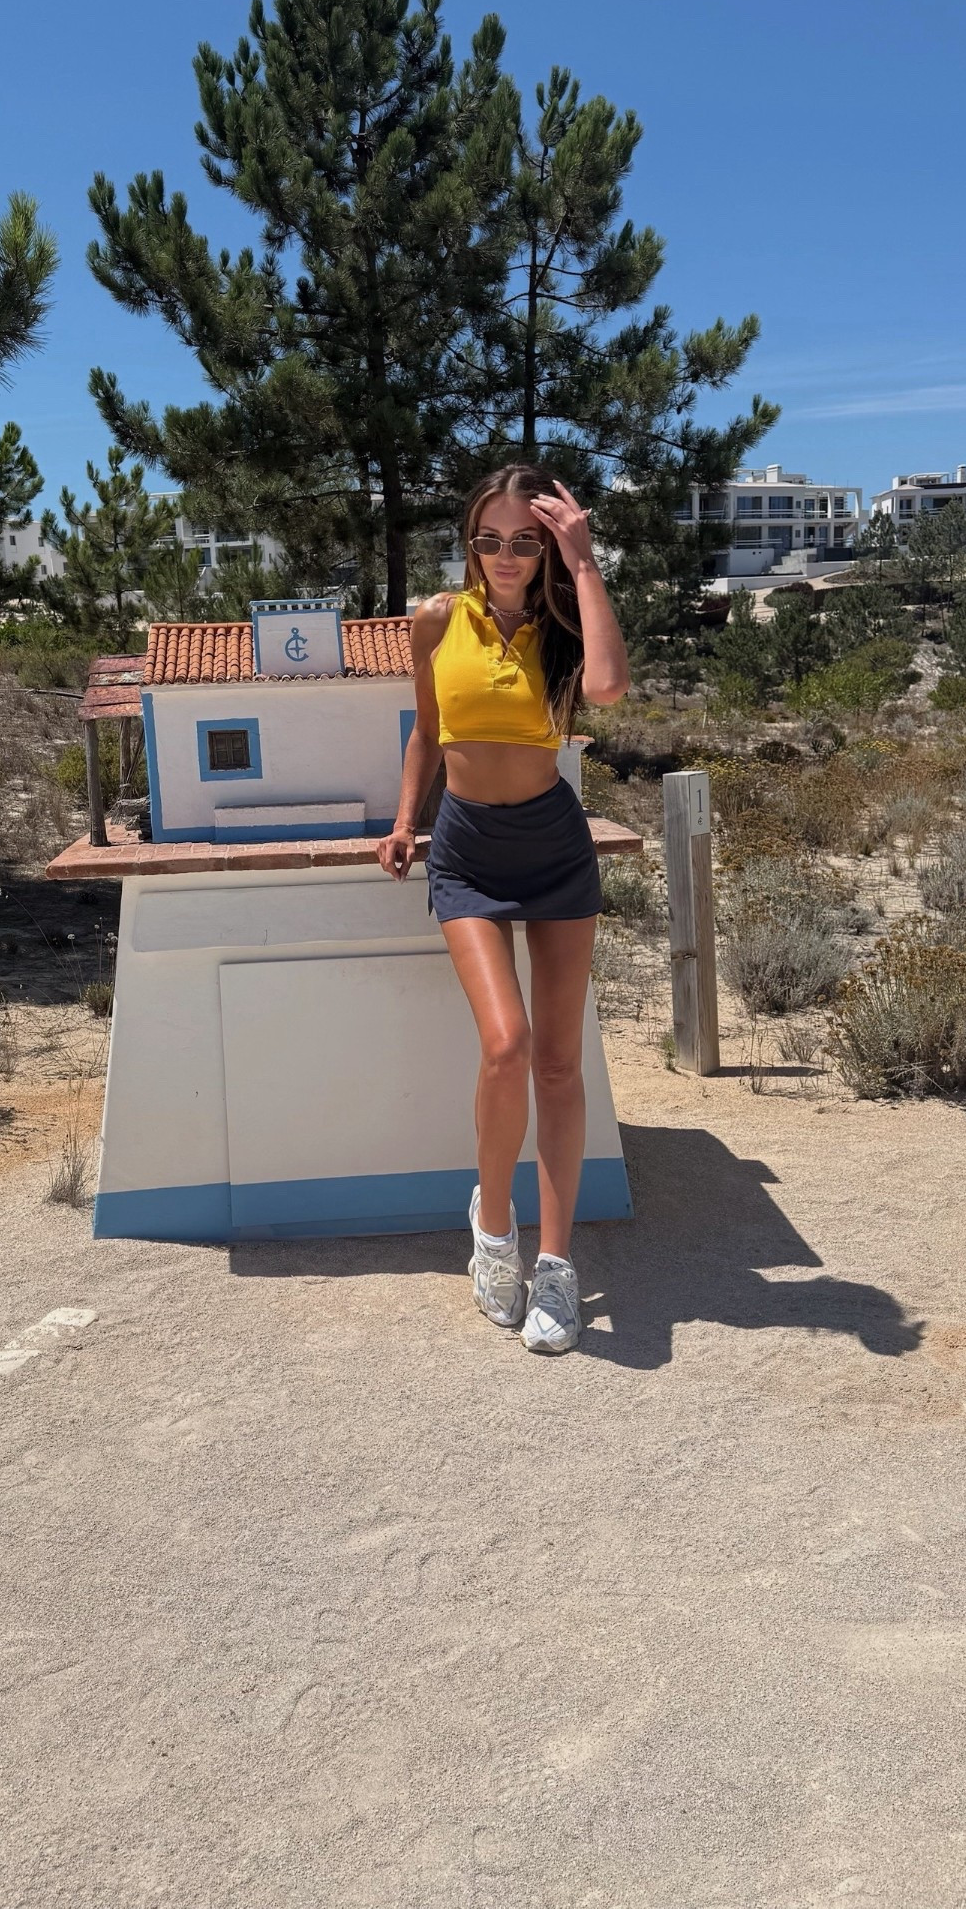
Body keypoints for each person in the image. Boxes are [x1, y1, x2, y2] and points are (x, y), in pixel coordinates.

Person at [377, 464, 630, 1354]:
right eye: (490, 538)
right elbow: (427, 728)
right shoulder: (439, 619)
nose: (507, 555)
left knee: (559, 1065)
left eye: (527, 539)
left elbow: (604, 688)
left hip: (555, 847)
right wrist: (407, 820)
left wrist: (583, 561)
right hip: (469, 850)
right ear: (468, 542)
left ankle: (556, 1269)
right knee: (508, 1045)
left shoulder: (563, 619)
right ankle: (493, 1231)